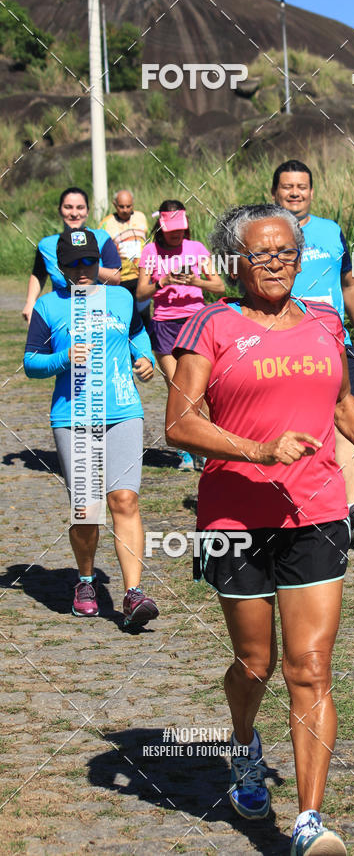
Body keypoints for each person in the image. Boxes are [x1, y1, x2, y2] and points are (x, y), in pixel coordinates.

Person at [165, 204, 354, 855]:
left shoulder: (322, 319)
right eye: (262, 255)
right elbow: (179, 423)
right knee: (254, 664)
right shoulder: (211, 324)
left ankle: (310, 822)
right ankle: (242, 745)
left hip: (316, 512)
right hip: (235, 517)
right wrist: (258, 451)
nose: (277, 265)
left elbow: (339, 396)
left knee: (310, 668)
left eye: (287, 253)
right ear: (235, 261)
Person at [23, 229, 159, 630]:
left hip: (123, 409)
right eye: (74, 264)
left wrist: (146, 359)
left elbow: (137, 334)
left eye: (89, 262)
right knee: (87, 510)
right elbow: (31, 363)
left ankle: (133, 594)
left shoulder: (120, 297)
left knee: (125, 500)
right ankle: (85, 581)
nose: (83, 271)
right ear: (61, 267)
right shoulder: (49, 307)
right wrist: (62, 358)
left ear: (98, 264)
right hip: (74, 415)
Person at [271, 159, 354, 544]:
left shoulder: (332, 232)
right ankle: (292, 504)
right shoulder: (266, 233)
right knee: (288, 425)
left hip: (334, 341)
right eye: (287, 187)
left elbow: (348, 282)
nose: (295, 192)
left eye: (301, 186)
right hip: (283, 343)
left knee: (346, 422)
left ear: (312, 192)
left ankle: (352, 510)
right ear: (275, 193)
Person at [137, 199, 225, 471]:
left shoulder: (196, 249)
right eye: (171, 228)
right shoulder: (150, 251)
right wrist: (162, 282)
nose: (176, 233)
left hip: (195, 322)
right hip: (164, 324)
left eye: (180, 228)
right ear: (161, 226)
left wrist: (194, 281)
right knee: (178, 387)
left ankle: (210, 446)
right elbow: (140, 294)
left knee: (201, 387)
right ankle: (187, 451)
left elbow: (219, 286)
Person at [22, 187, 122, 324]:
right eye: (68, 207)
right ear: (59, 210)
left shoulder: (102, 238)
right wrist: (30, 302)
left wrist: (87, 265)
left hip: (101, 311)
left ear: (87, 211)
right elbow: (38, 275)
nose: (74, 213)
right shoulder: (46, 245)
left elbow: (115, 278)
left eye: (80, 207)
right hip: (63, 312)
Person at [100, 189, 152, 331]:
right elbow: (100, 249)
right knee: (125, 315)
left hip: (141, 275)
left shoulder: (141, 217)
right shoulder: (105, 224)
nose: (125, 210)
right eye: (121, 206)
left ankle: (146, 349)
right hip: (120, 278)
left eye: (128, 206)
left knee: (144, 314)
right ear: (114, 204)